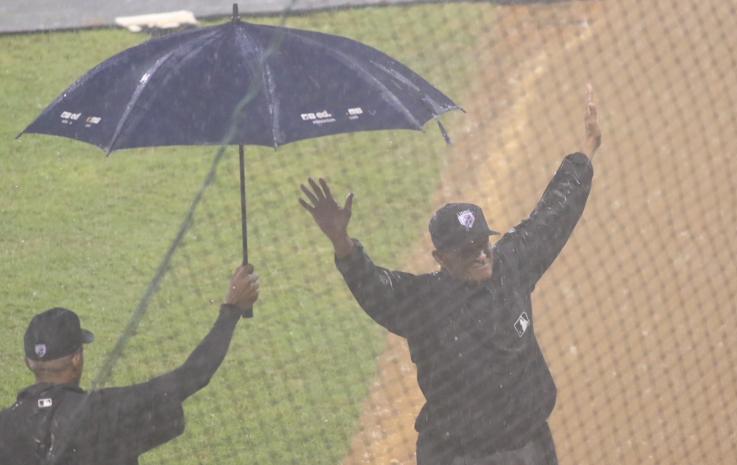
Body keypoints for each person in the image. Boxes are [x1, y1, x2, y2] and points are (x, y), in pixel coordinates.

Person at [298, 86, 601, 465]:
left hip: (528, 447)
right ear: (439, 257)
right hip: (460, 456)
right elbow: (374, 287)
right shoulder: (423, 302)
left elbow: (554, 213)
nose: (480, 254)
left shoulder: (512, 264)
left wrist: (586, 151)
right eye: (466, 249)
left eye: (482, 242)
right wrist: (342, 241)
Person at [0, 264, 260, 465]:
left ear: (28, 362)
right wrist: (231, 310)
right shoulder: (104, 412)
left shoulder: (5, 424)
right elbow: (193, 375)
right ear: (77, 358)